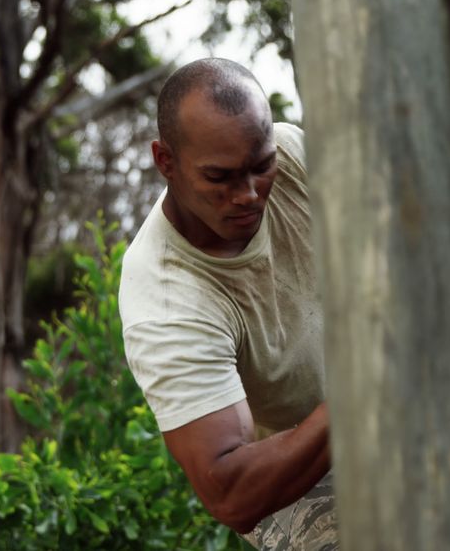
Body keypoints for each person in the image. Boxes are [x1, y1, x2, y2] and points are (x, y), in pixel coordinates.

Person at [118, 58, 337, 550]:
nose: (249, 194)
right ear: (165, 161)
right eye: (220, 178)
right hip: (288, 472)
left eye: (262, 167)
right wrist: (361, 394)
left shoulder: (295, 155)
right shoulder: (165, 295)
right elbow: (231, 490)